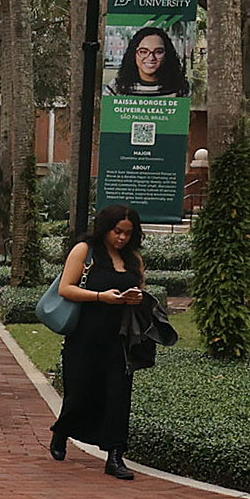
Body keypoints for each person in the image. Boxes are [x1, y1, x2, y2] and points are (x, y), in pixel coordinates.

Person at [51, 204, 147, 480]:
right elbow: (65, 288)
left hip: (120, 338)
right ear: (106, 228)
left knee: (118, 396)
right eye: (118, 232)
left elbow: (141, 288)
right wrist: (100, 296)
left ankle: (115, 455)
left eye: (128, 234)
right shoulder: (86, 251)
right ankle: (62, 431)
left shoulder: (133, 259)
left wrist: (136, 298)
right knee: (79, 394)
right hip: (85, 336)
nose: (122, 238)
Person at [110, 26, 188, 97]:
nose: (151, 57)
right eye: (143, 52)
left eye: (158, 52)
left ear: (167, 54)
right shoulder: (117, 87)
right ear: (133, 54)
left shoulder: (181, 88)